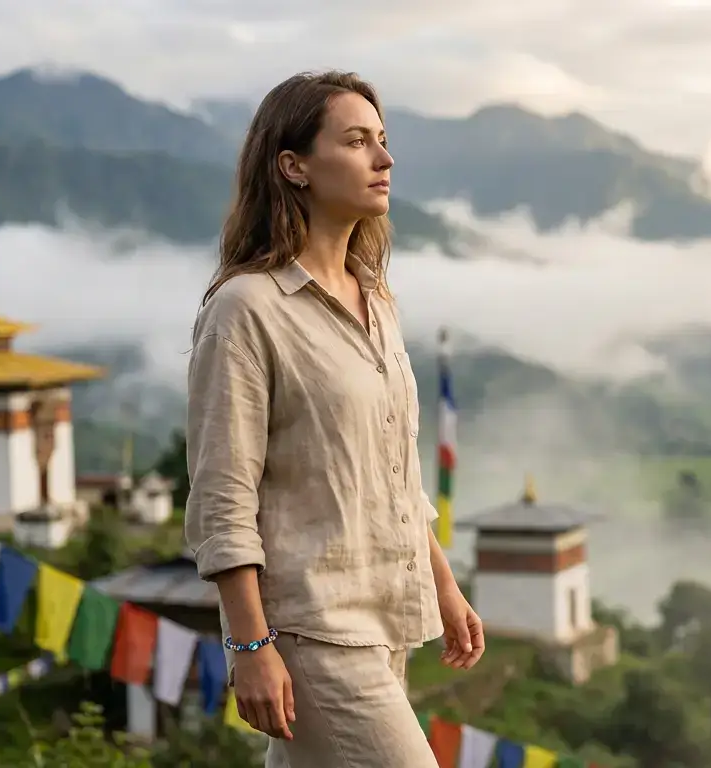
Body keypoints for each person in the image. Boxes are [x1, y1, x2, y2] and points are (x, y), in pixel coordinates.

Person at [184, 71, 485, 767]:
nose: (384, 159)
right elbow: (223, 495)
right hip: (311, 628)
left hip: (383, 623)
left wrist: (444, 586)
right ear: (293, 165)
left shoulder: (376, 300)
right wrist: (249, 646)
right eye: (356, 141)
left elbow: (393, 473)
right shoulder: (246, 309)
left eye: (383, 141)